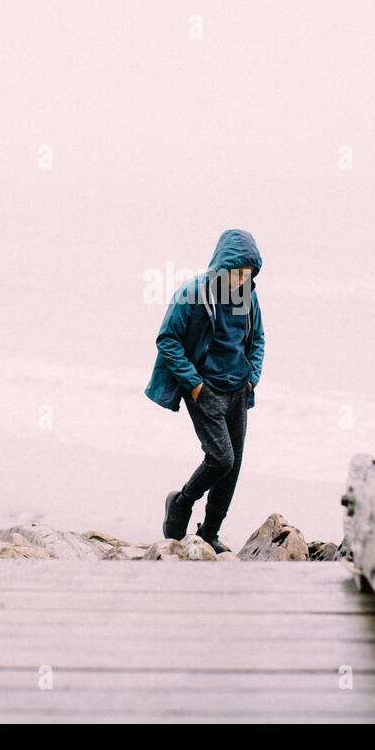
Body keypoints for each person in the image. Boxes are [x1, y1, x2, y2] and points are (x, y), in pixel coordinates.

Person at [144, 229, 264, 553]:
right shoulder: (193, 293)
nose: (240, 280)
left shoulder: (248, 297)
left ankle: (210, 532)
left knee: (233, 465)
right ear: (221, 266)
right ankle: (182, 502)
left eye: (247, 274)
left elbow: (258, 340)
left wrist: (253, 376)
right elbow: (167, 340)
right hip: (205, 388)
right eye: (236, 273)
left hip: (239, 389)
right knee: (221, 458)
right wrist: (195, 386)